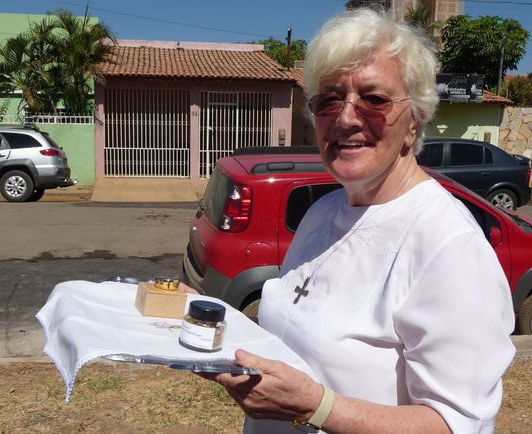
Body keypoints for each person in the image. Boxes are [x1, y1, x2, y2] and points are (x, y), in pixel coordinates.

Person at [197, 9, 516, 434]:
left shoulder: (448, 242)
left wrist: (317, 407)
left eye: (375, 98)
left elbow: (454, 425)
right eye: (329, 99)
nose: (346, 117)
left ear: (415, 119)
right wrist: (207, 321)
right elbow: (296, 334)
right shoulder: (322, 211)